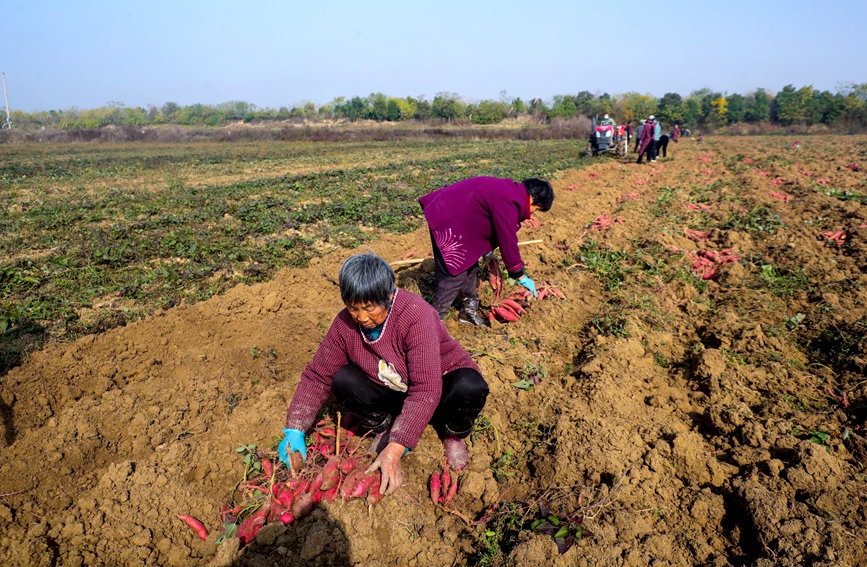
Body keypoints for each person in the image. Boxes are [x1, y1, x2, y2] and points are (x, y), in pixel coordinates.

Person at [278, 253, 489, 495]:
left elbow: (426, 389)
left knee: (469, 385)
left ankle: (452, 434)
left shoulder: (415, 315)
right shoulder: (345, 324)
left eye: (369, 308)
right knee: (343, 379)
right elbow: (317, 376)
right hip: (395, 388)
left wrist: (396, 449)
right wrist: (294, 430)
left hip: (439, 385)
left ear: (388, 295)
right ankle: (383, 426)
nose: (362, 317)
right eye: (354, 308)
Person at [418, 176, 554, 325]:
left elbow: (483, 221)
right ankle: (434, 322)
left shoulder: (510, 193)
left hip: (455, 215)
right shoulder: (510, 201)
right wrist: (519, 275)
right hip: (447, 214)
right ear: (533, 198)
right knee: (455, 274)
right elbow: (507, 238)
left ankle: (467, 312)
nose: (531, 214)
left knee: (469, 263)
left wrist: (487, 253)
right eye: (536, 209)